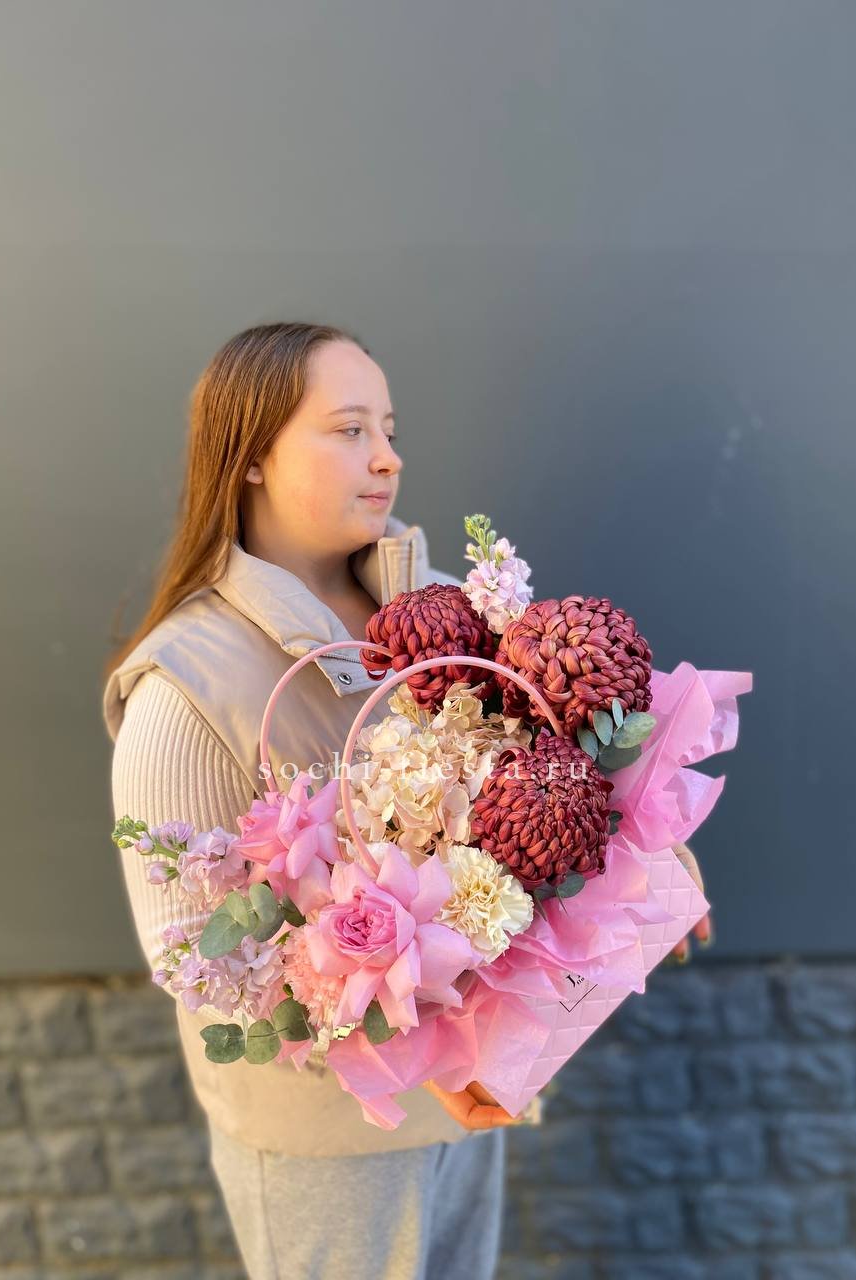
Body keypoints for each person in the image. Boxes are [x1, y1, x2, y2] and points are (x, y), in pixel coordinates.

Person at [101, 322, 525, 1280]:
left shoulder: (450, 617)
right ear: (251, 454)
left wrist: (633, 861)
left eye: (390, 429)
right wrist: (397, 998)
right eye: (348, 429)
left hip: (469, 1104)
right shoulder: (187, 685)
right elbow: (192, 957)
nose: (388, 457)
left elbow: (540, 783)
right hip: (327, 1146)